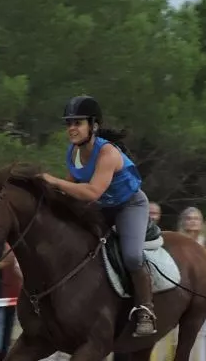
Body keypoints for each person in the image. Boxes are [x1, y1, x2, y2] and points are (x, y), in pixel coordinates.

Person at [41, 95, 156, 337]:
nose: (71, 128)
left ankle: (146, 309)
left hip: (129, 206)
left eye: (77, 123)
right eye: (69, 123)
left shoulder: (107, 153)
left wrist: (54, 181)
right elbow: (72, 187)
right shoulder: (73, 152)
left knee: (132, 256)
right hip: (103, 207)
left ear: (93, 126)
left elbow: (92, 191)